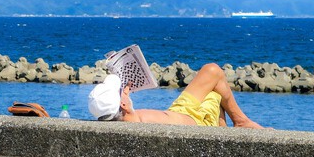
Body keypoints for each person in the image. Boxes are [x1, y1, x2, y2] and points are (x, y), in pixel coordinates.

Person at [88, 62, 265, 128]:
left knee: (211, 71)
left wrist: (124, 93)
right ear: (124, 105)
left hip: (180, 111)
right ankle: (240, 122)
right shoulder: (139, 120)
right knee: (215, 87)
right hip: (198, 122)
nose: (126, 90)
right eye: (123, 91)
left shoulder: (130, 119)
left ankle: (240, 122)